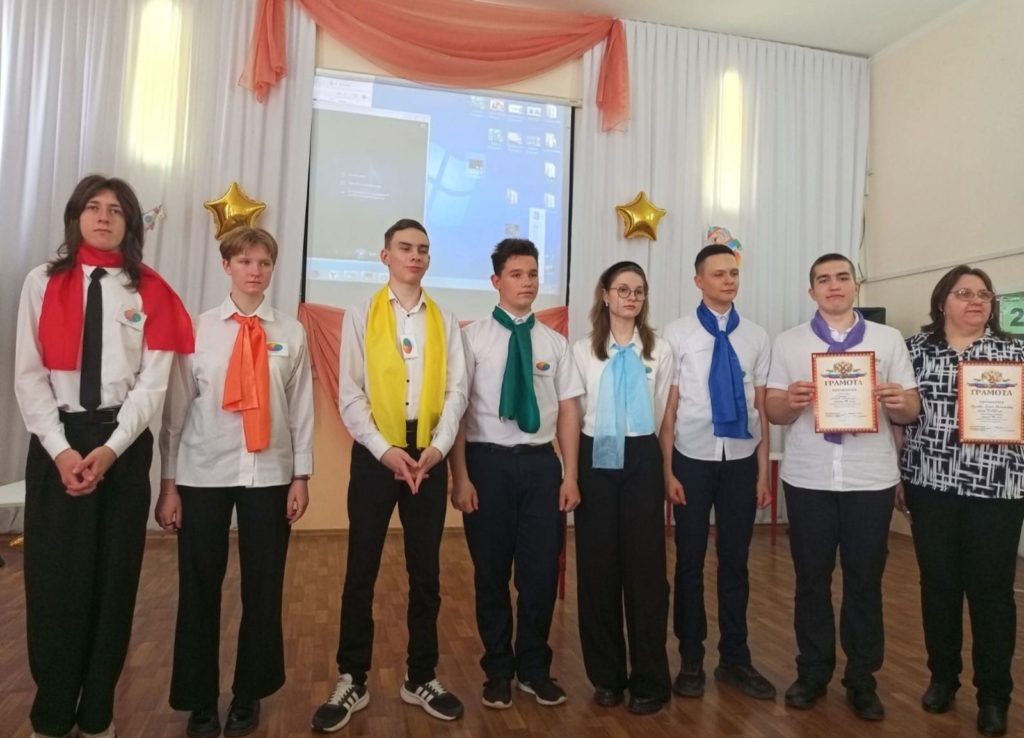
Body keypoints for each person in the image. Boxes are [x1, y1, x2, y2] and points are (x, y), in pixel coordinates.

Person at [14, 174, 193, 738]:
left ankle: (97, 714)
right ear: (76, 217)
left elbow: (152, 387)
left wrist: (112, 450)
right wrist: (61, 450)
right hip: (58, 445)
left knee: (114, 586)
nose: (103, 217)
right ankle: (51, 714)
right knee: (54, 584)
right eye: (93, 207)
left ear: (130, 224)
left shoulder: (151, 292)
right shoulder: (42, 282)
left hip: (122, 446)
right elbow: (28, 375)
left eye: (116, 210)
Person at [311, 219, 468, 732]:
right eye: (405, 248)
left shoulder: (444, 319)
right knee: (361, 571)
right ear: (385, 256)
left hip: (428, 457)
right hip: (377, 455)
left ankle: (421, 676)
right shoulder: (361, 314)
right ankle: (352, 678)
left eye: (423, 249)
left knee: (426, 574)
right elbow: (350, 393)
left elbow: (457, 392)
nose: (415, 256)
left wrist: (437, 448)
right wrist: (385, 451)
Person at [156, 227, 313, 738]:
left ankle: (249, 694)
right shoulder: (198, 330)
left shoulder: (291, 332)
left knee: (264, 587)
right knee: (199, 587)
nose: (255, 271)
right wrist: (169, 485)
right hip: (203, 473)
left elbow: (301, 410)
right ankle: (199, 699)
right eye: (245, 261)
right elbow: (175, 414)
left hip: (269, 475)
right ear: (226, 265)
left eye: (264, 262)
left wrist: (301, 476)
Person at [765, 253, 919, 721]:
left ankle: (862, 679)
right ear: (811, 290)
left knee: (864, 582)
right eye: (823, 280)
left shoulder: (887, 340)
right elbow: (773, 410)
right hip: (809, 477)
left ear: (855, 286)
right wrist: (792, 402)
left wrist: (898, 401)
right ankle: (812, 672)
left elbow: (911, 407)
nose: (833, 286)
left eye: (842, 278)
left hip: (870, 478)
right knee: (811, 580)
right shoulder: (789, 341)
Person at [450, 238, 583, 710]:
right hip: (487, 465)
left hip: (541, 467)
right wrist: (460, 477)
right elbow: (457, 412)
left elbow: (568, 411)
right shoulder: (472, 339)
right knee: (491, 573)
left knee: (540, 573)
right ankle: (498, 670)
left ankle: (534, 668)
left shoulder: (554, 342)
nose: (527, 283)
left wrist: (570, 475)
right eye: (516, 275)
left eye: (532, 274)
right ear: (496, 281)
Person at [898, 265, 1024, 738]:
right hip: (930, 486)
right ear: (942, 302)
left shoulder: (1016, 353)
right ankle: (942, 679)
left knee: (992, 593)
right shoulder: (913, 351)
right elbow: (897, 420)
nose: (976, 301)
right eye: (964, 293)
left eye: (984, 295)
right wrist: (896, 474)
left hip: (998, 489)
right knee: (939, 586)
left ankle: (993, 696)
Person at [661, 244, 775, 702]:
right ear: (698, 281)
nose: (729, 280)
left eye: (733, 273)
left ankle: (735, 659)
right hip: (691, 458)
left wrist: (763, 474)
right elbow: (668, 410)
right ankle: (691, 657)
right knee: (689, 562)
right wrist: (667, 471)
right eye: (718, 274)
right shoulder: (677, 333)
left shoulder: (756, 336)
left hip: (741, 461)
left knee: (736, 562)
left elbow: (761, 409)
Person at [571, 261, 672, 714]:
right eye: (623, 289)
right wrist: (571, 473)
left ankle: (650, 680)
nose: (632, 297)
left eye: (639, 291)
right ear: (606, 295)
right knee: (598, 570)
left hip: (642, 457)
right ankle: (607, 677)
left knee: (646, 572)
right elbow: (574, 413)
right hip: (596, 457)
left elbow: (664, 414)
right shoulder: (582, 351)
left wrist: (666, 471)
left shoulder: (660, 350)